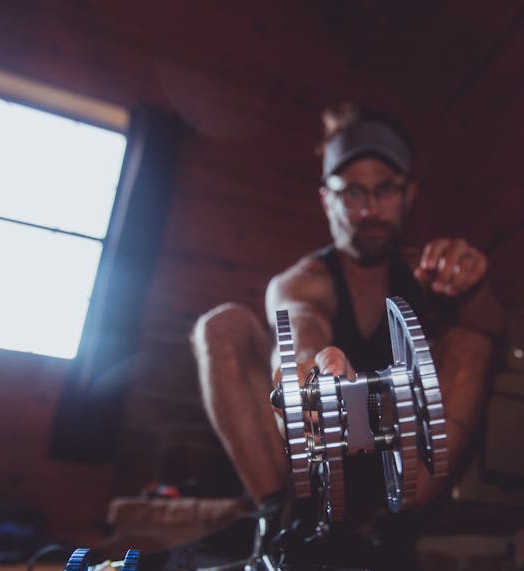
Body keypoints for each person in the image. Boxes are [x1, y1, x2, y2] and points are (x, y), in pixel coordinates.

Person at [191, 102, 501, 539]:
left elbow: (492, 328)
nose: (369, 210)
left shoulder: (428, 274)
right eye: (352, 193)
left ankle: (393, 536)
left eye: (385, 190)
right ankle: (280, 525)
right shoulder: (304, 279)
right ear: (327, 199)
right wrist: (310, 364)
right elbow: (298, 322)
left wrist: (475, 283)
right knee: (222, 326)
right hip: (302, 462)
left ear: (409, 194)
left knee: (473, 340)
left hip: (397, 476)